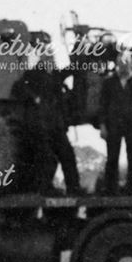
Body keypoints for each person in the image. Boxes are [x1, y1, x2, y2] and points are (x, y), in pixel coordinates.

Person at [12, 65, 81, 195]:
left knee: (67, 156)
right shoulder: (33, 73)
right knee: (47, 159)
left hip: (56, 124)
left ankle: (74, 189)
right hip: (41, 124)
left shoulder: (56, 74)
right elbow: (18, 87)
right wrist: (34, 97)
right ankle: (45, 188)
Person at [100, 52, 132, 194]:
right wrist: (103, 126)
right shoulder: (109, 83)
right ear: (117, 63)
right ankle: (111, 189)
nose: (124, 64)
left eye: (126, 61)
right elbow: (102, 105)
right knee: (112, 157)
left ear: (131, 63)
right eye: (121, 61)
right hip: (113, 124)